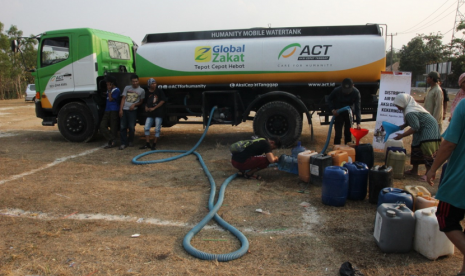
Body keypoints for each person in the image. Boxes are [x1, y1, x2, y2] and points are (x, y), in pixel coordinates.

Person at [426, 99, 465, 276]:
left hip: (461, 178)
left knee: (445, 216)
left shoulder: (464, 105)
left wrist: (432, 169)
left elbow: (449, 144)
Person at [392, 94, 441, 181]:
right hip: (422, 127)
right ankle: (414, 170)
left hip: (428, 128)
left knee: (427, 148)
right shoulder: (410, 108)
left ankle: (428, 173)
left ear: (403, 103)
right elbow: (413, 121)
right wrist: (402, 126)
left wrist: (402, 135)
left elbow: (415, 127)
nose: (397, 107)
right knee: (415, 146)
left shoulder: (410, 112)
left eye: (398, 105)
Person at [327, 78, 361, 145]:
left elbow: (358, 108)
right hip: (339, 113)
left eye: (348, 90)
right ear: (341, 86)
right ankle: (336, 150)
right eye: (345, 90)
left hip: (349, 114)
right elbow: (329, 99)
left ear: (353, 86)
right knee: (338, 134)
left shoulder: (356, 92)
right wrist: (333, 110)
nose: (347, 92)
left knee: (348, 134)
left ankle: (347, 150)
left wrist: (358, 122)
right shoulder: (336, 90)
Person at [119, 74, 145, 150]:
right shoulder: (127, 88)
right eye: (133, 82)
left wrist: (135, 104)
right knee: (123, 127)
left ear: (138, 81)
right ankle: (123, 143)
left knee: (131, 127)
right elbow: (123, 99)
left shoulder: (141, 90)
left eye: (136, 81)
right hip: (125, 109)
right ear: (131, 82)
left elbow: (141, 102)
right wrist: (121, 109)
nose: (135, 83)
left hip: (132, 111)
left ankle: (130, 141)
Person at [139, 78, 166, 150]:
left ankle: (154, 144)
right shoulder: (147, 93)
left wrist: (155, 108)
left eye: (155, 83)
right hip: (150, 113)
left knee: (157, 129)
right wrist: (146, 107)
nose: (154, 85)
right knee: (146, 128)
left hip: (158, 113)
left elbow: (163, 101)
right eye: (152, 83)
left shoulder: (159, 91)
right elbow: (145, 102)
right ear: (149, 85)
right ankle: (147, 143)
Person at [100, 76, 120, 149]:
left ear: (111, 83)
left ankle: (112, 141)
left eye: (108, 82)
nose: (106, 83)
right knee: (102, 125)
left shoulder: (116, 90)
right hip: (107, 109)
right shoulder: (110, 90)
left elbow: (111, 99)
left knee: (113, 126)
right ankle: (112, 138)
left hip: (113, 109)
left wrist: (108, 90)